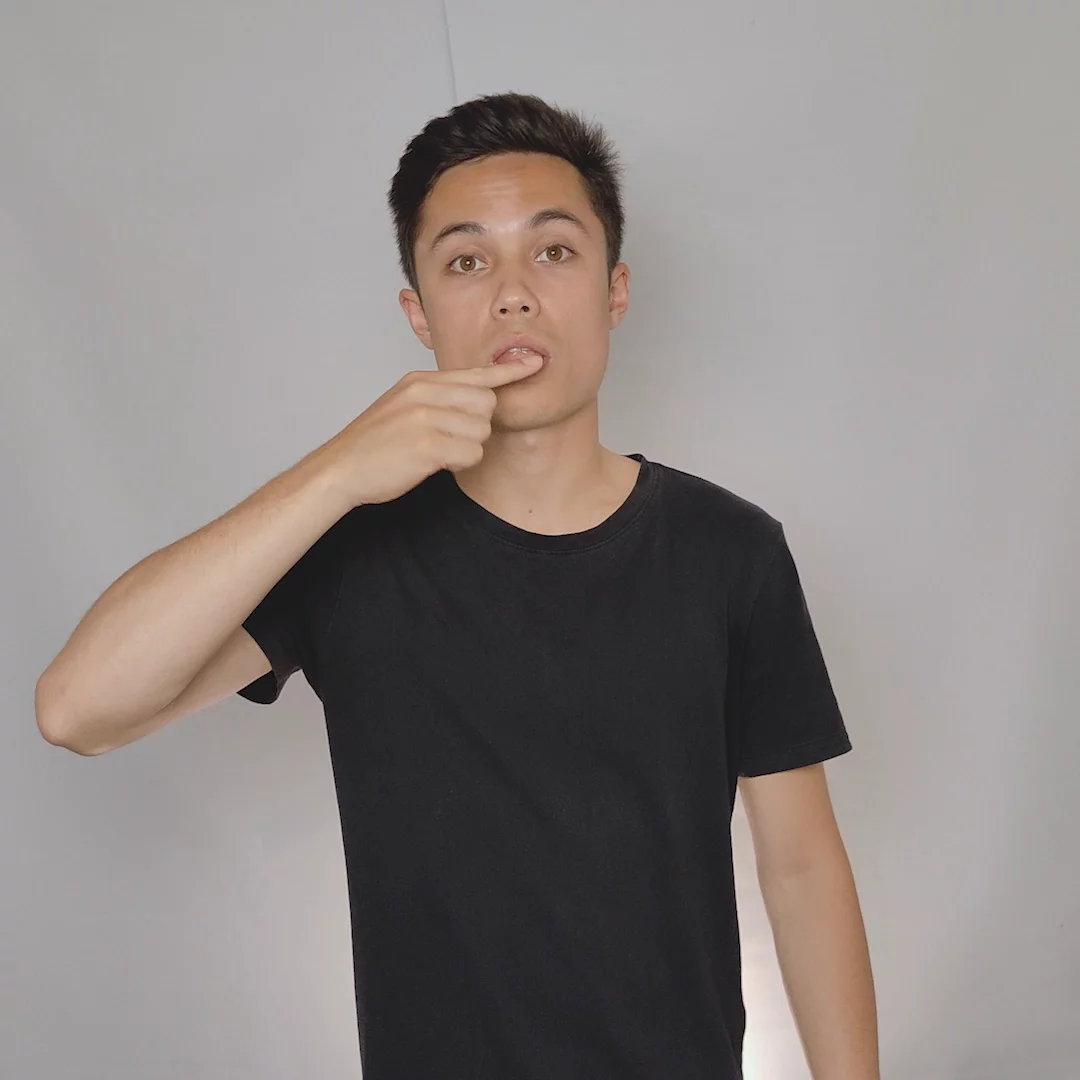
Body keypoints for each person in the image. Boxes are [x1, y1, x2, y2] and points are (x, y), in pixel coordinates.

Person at [36, 92, 879, 1079]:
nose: (513, 294)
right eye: (467, 262)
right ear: (419, 313)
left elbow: (801, 866)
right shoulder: (349, 550)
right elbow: (79, 709)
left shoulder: (729, 552)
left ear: (614, 291)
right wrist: (338, 469)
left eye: (553, 252)